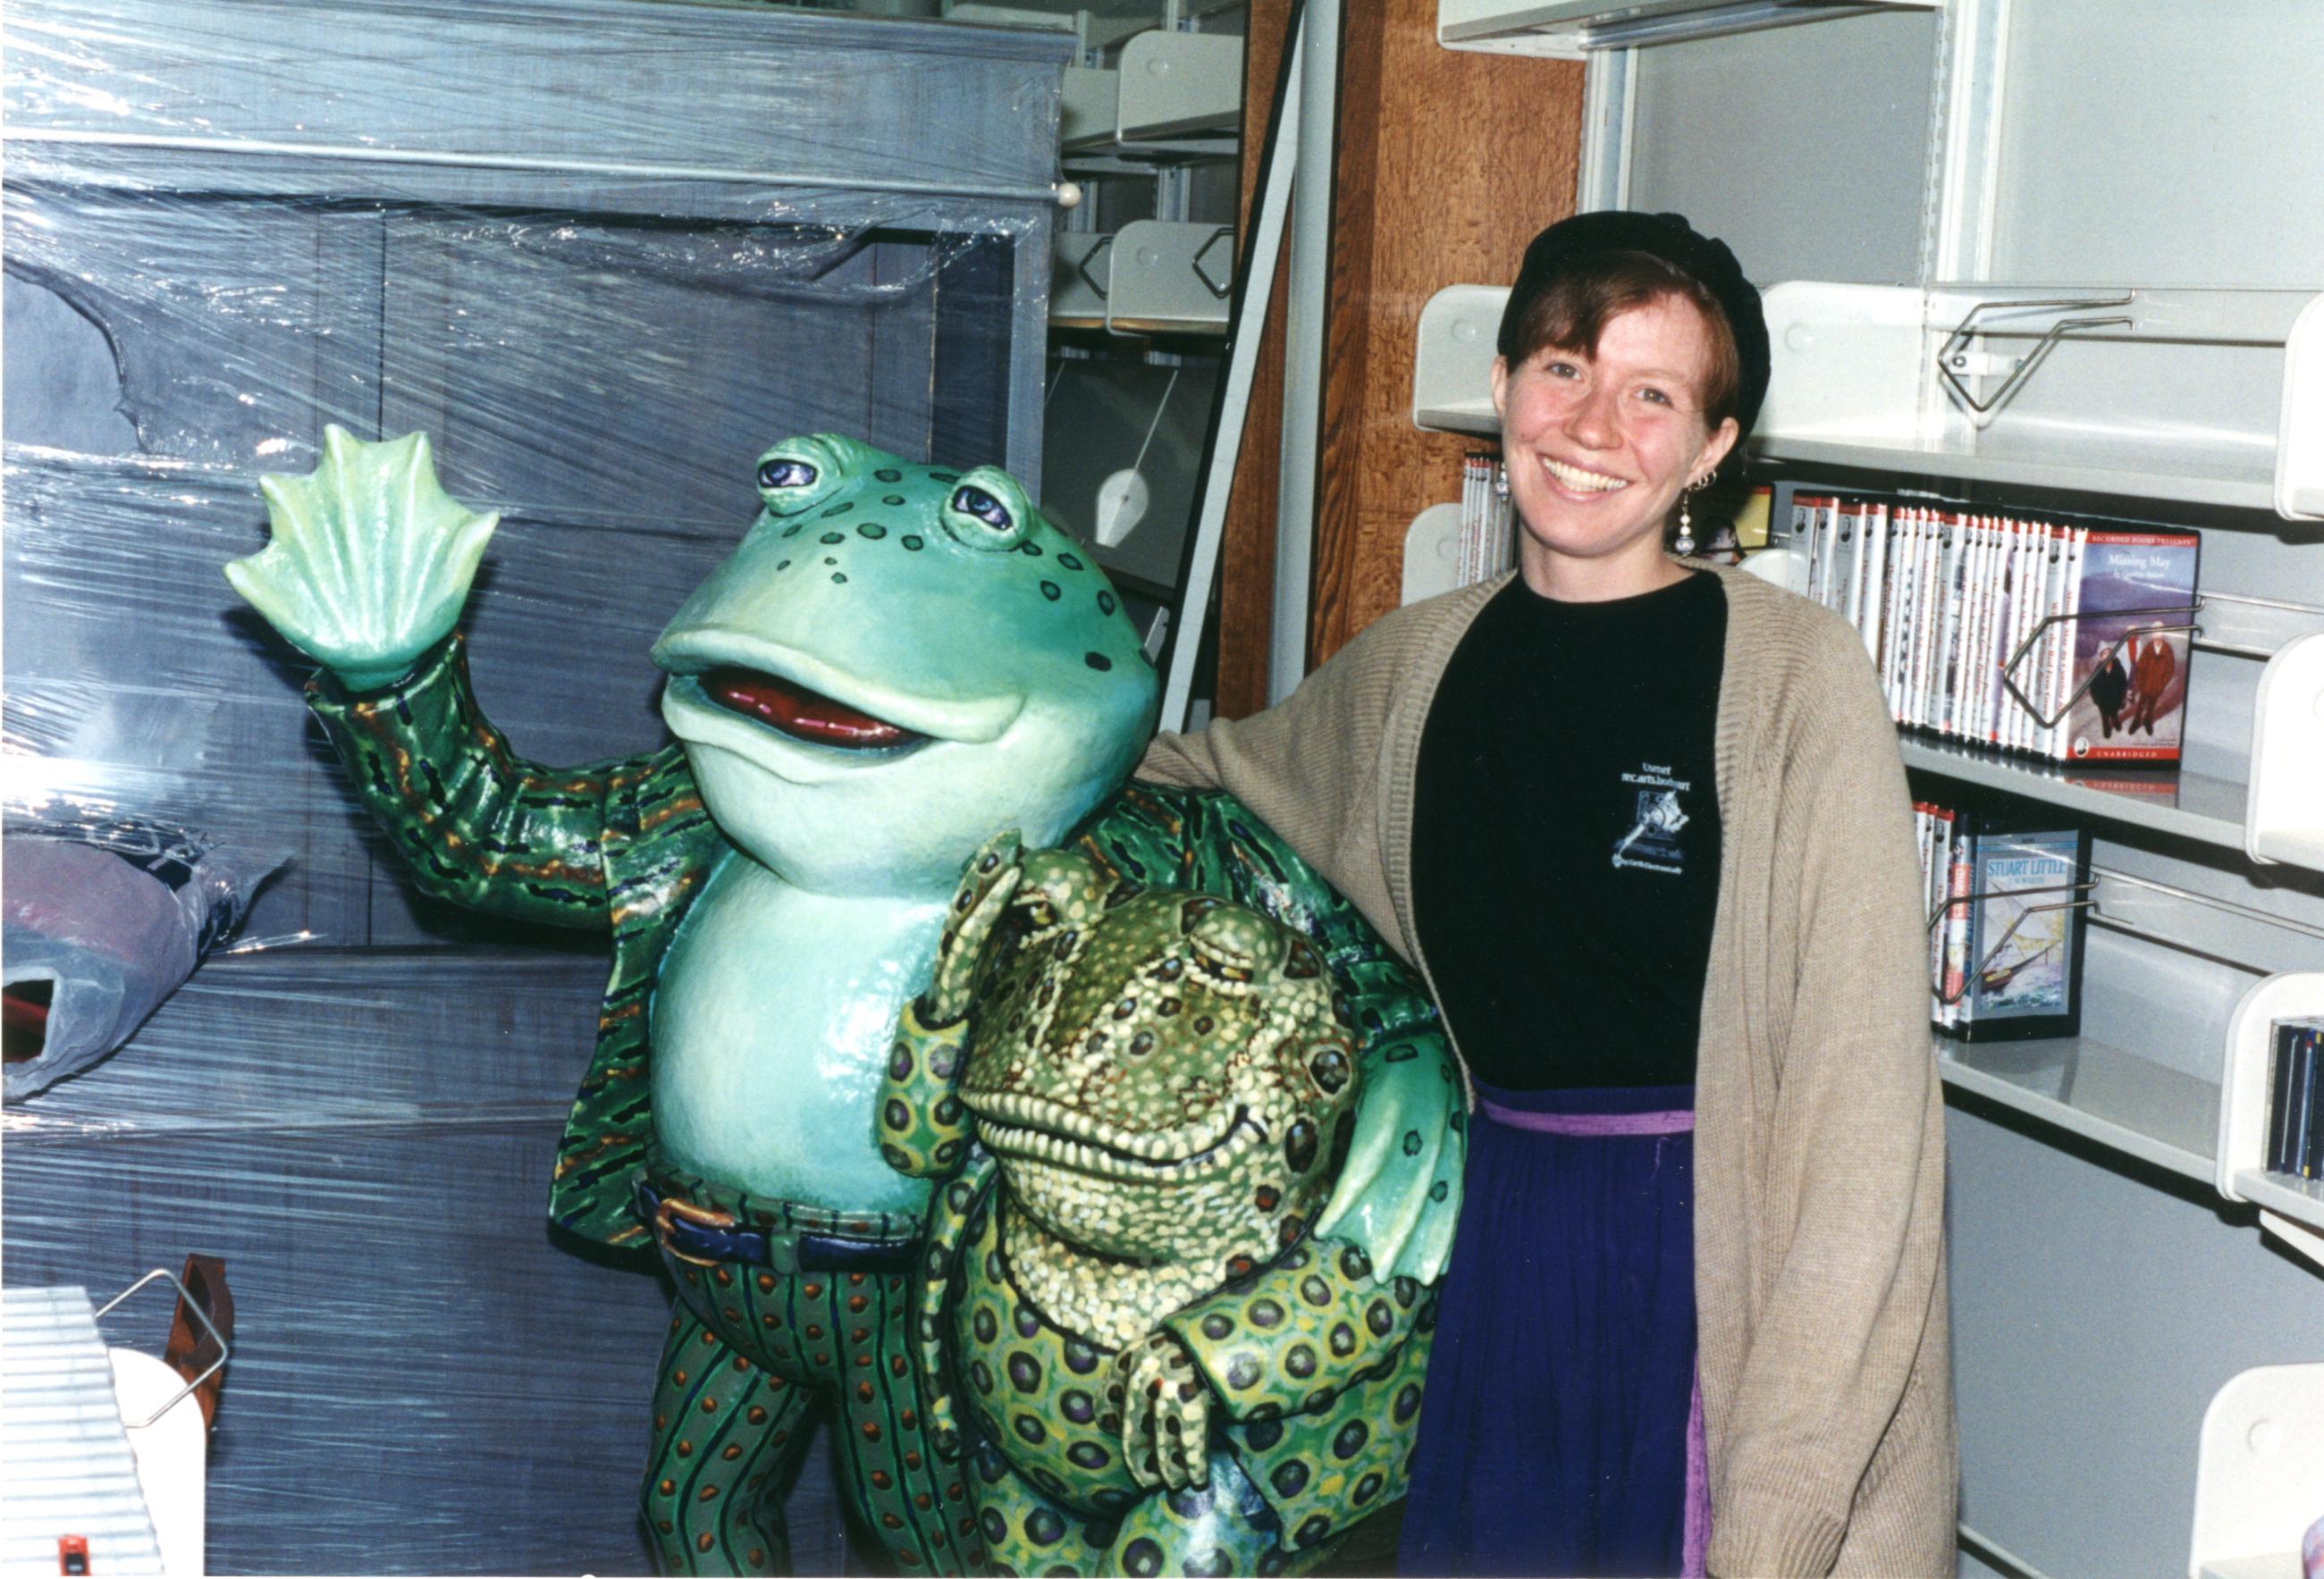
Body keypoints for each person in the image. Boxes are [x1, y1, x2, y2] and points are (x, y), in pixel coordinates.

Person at [1137, 211, 1954, 1575]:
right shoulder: (1416, 666)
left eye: (1653, 395)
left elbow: (1868, 1127)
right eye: (1564, 369)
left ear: (1713, 449)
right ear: (1504, 384)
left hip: (1720, 1274)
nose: (1590, 427)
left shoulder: (1795, 679)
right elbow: (1213, 768)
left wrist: (1788, 1497)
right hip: (1508, 1251)